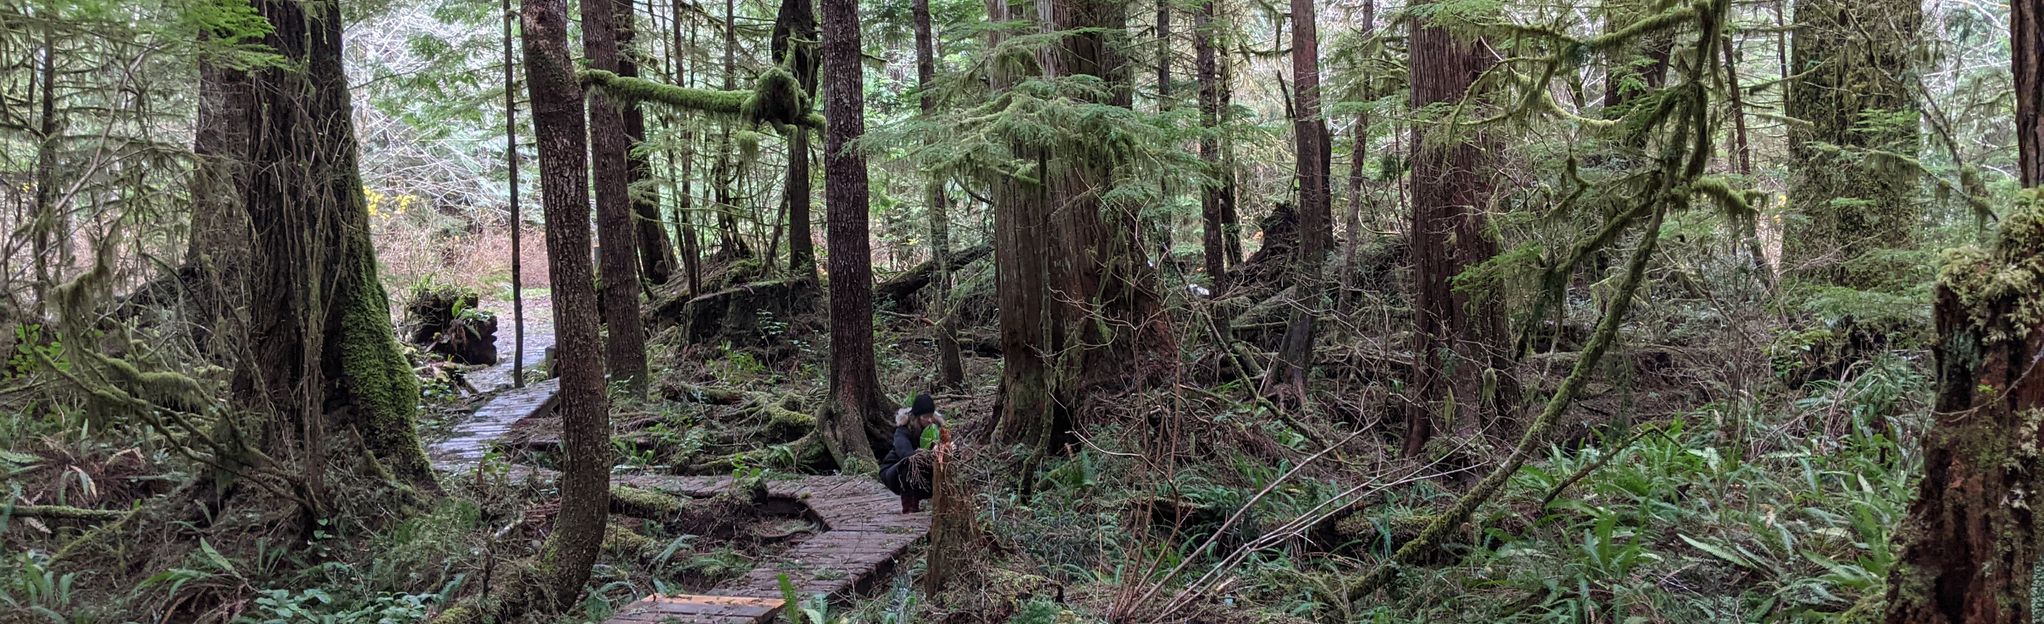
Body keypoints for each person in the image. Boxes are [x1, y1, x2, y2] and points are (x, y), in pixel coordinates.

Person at [879, 393, 946, 513]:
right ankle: (909, 507)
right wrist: (928, 453)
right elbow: (906, 454)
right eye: (925, 416)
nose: (929, 420)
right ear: (917, 417)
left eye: (931, 416)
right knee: (909, 463)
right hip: (894, 471)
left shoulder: (935, 429)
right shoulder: (903, 431)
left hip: (922, 469)